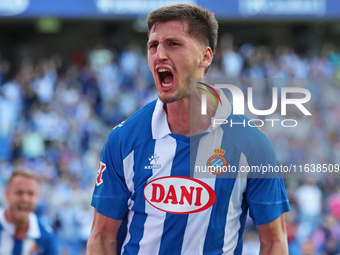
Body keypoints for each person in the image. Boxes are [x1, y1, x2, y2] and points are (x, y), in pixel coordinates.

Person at [87, 4, 290, 255]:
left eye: (173, 44)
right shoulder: (123, 139)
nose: (159, 54)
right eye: (153, 46)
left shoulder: (252, 144)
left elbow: (274, 242)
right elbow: (102, 237)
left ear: (205, 57)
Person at [0, 169, 57, 255]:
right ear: (7, 194)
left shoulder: (45, 237)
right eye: (19, 192)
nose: (25, 199)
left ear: (37, 198)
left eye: (30, 194)